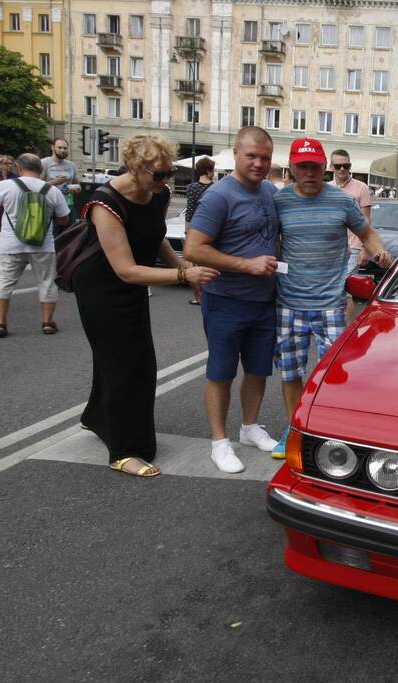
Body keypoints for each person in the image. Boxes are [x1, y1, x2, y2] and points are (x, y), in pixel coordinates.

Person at [74, 135, 218, 477]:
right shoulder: (104, 202)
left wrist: (182, 267)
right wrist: (184, 276)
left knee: (125, 359)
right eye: (158, 174)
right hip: (101, 288)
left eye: (168, 172)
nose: (165, 180)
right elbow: (125, 269)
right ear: (134, 168)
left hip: (134, 285)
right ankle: (124, 451)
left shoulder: (158, 193)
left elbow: (157, 239)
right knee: (126, 366)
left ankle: (96, 418)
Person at [271, 138, 392, 458]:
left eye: (314, 166)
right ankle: (293, 429)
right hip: (289, 303)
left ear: (323, 167)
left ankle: (328, 431)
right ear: (293, 168)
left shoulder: (341, 201)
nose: (308, 173)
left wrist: (376, 248)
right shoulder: (280, 201)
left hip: (331, 305)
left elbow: (366, 232)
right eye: (302, 166)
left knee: (334, 375)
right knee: (290, 372)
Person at [185, 127, 281, 474]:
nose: (258, 163)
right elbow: (194, 248)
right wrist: (246, 265)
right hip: (226, 299)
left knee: (258, 370)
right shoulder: (218, 196)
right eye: (252, 156)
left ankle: (250, 427)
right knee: (221, 373)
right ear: (236, 155)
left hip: (264, 300)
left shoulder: (270, 190)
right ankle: (219, 442)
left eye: (265, 157)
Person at [0, 154, 71, 338]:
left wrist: (3, 208)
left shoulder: (5, 186)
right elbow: (64, 219)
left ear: (19, 167)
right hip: (43, 245)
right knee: (47, 282)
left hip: (11, 245)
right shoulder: (52, 190)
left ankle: (0, 324)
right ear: (41, 170)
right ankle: (47, 323)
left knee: (3, 282)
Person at [329, 148, 373, 323]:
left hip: (353, 246)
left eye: (345, 166)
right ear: (331, 167)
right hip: (332, 248)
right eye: (338, 166)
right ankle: (333, 323)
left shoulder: (361, 188)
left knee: (347, 290)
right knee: (332, 288)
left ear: (350, 166)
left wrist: (365, 249)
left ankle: (347, 330)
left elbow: (367, 221)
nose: (342, 170)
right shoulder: (327, 188)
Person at [184, 157, 217, 305]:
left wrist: (187, 230)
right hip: (212, 229)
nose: (214, 173)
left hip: (194, 229)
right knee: (209, 262)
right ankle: (210, 294)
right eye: (213, 170)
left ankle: (198, 296)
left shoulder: (191, 188)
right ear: (208, 170)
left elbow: (189, 211)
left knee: (192, 264)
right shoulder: (216, 188)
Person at [41, 137, 80, 212]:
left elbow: (77, 185)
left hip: (68, 205)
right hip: (49, 206)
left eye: (65, 148)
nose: (63, 150)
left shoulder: (71, 165)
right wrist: (55, 182)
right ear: (52, 147)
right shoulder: (44, 163)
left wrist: (76, 189)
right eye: (59, 148)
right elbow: (38, 186)